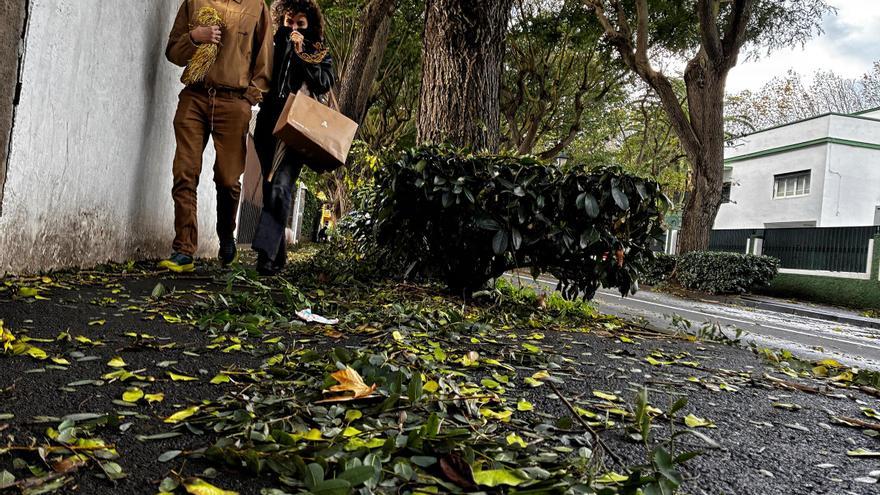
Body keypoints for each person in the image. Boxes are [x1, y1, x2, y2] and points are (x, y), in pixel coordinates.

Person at [160, 0, 274, 273]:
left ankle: (226, 235)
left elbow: (264, 64)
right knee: (184, 172)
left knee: (227, 179)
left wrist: (248, 98)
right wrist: (194, 37)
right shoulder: (196, 1)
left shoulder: (256, 7)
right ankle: (184, 249)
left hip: (233, 103)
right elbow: (173, 51)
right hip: (195, 97)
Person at [251, 0, 334, 275]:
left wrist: (300, 54)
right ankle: (278, 257)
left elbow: (324, 82)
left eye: (300, 22)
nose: (294, 27)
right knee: (270, 186)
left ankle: (265, 257)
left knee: (281, 186)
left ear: (310, 24)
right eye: (289, 21)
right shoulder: (270, 44)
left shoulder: (318, 51)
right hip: (268, 124)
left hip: (296, 126)